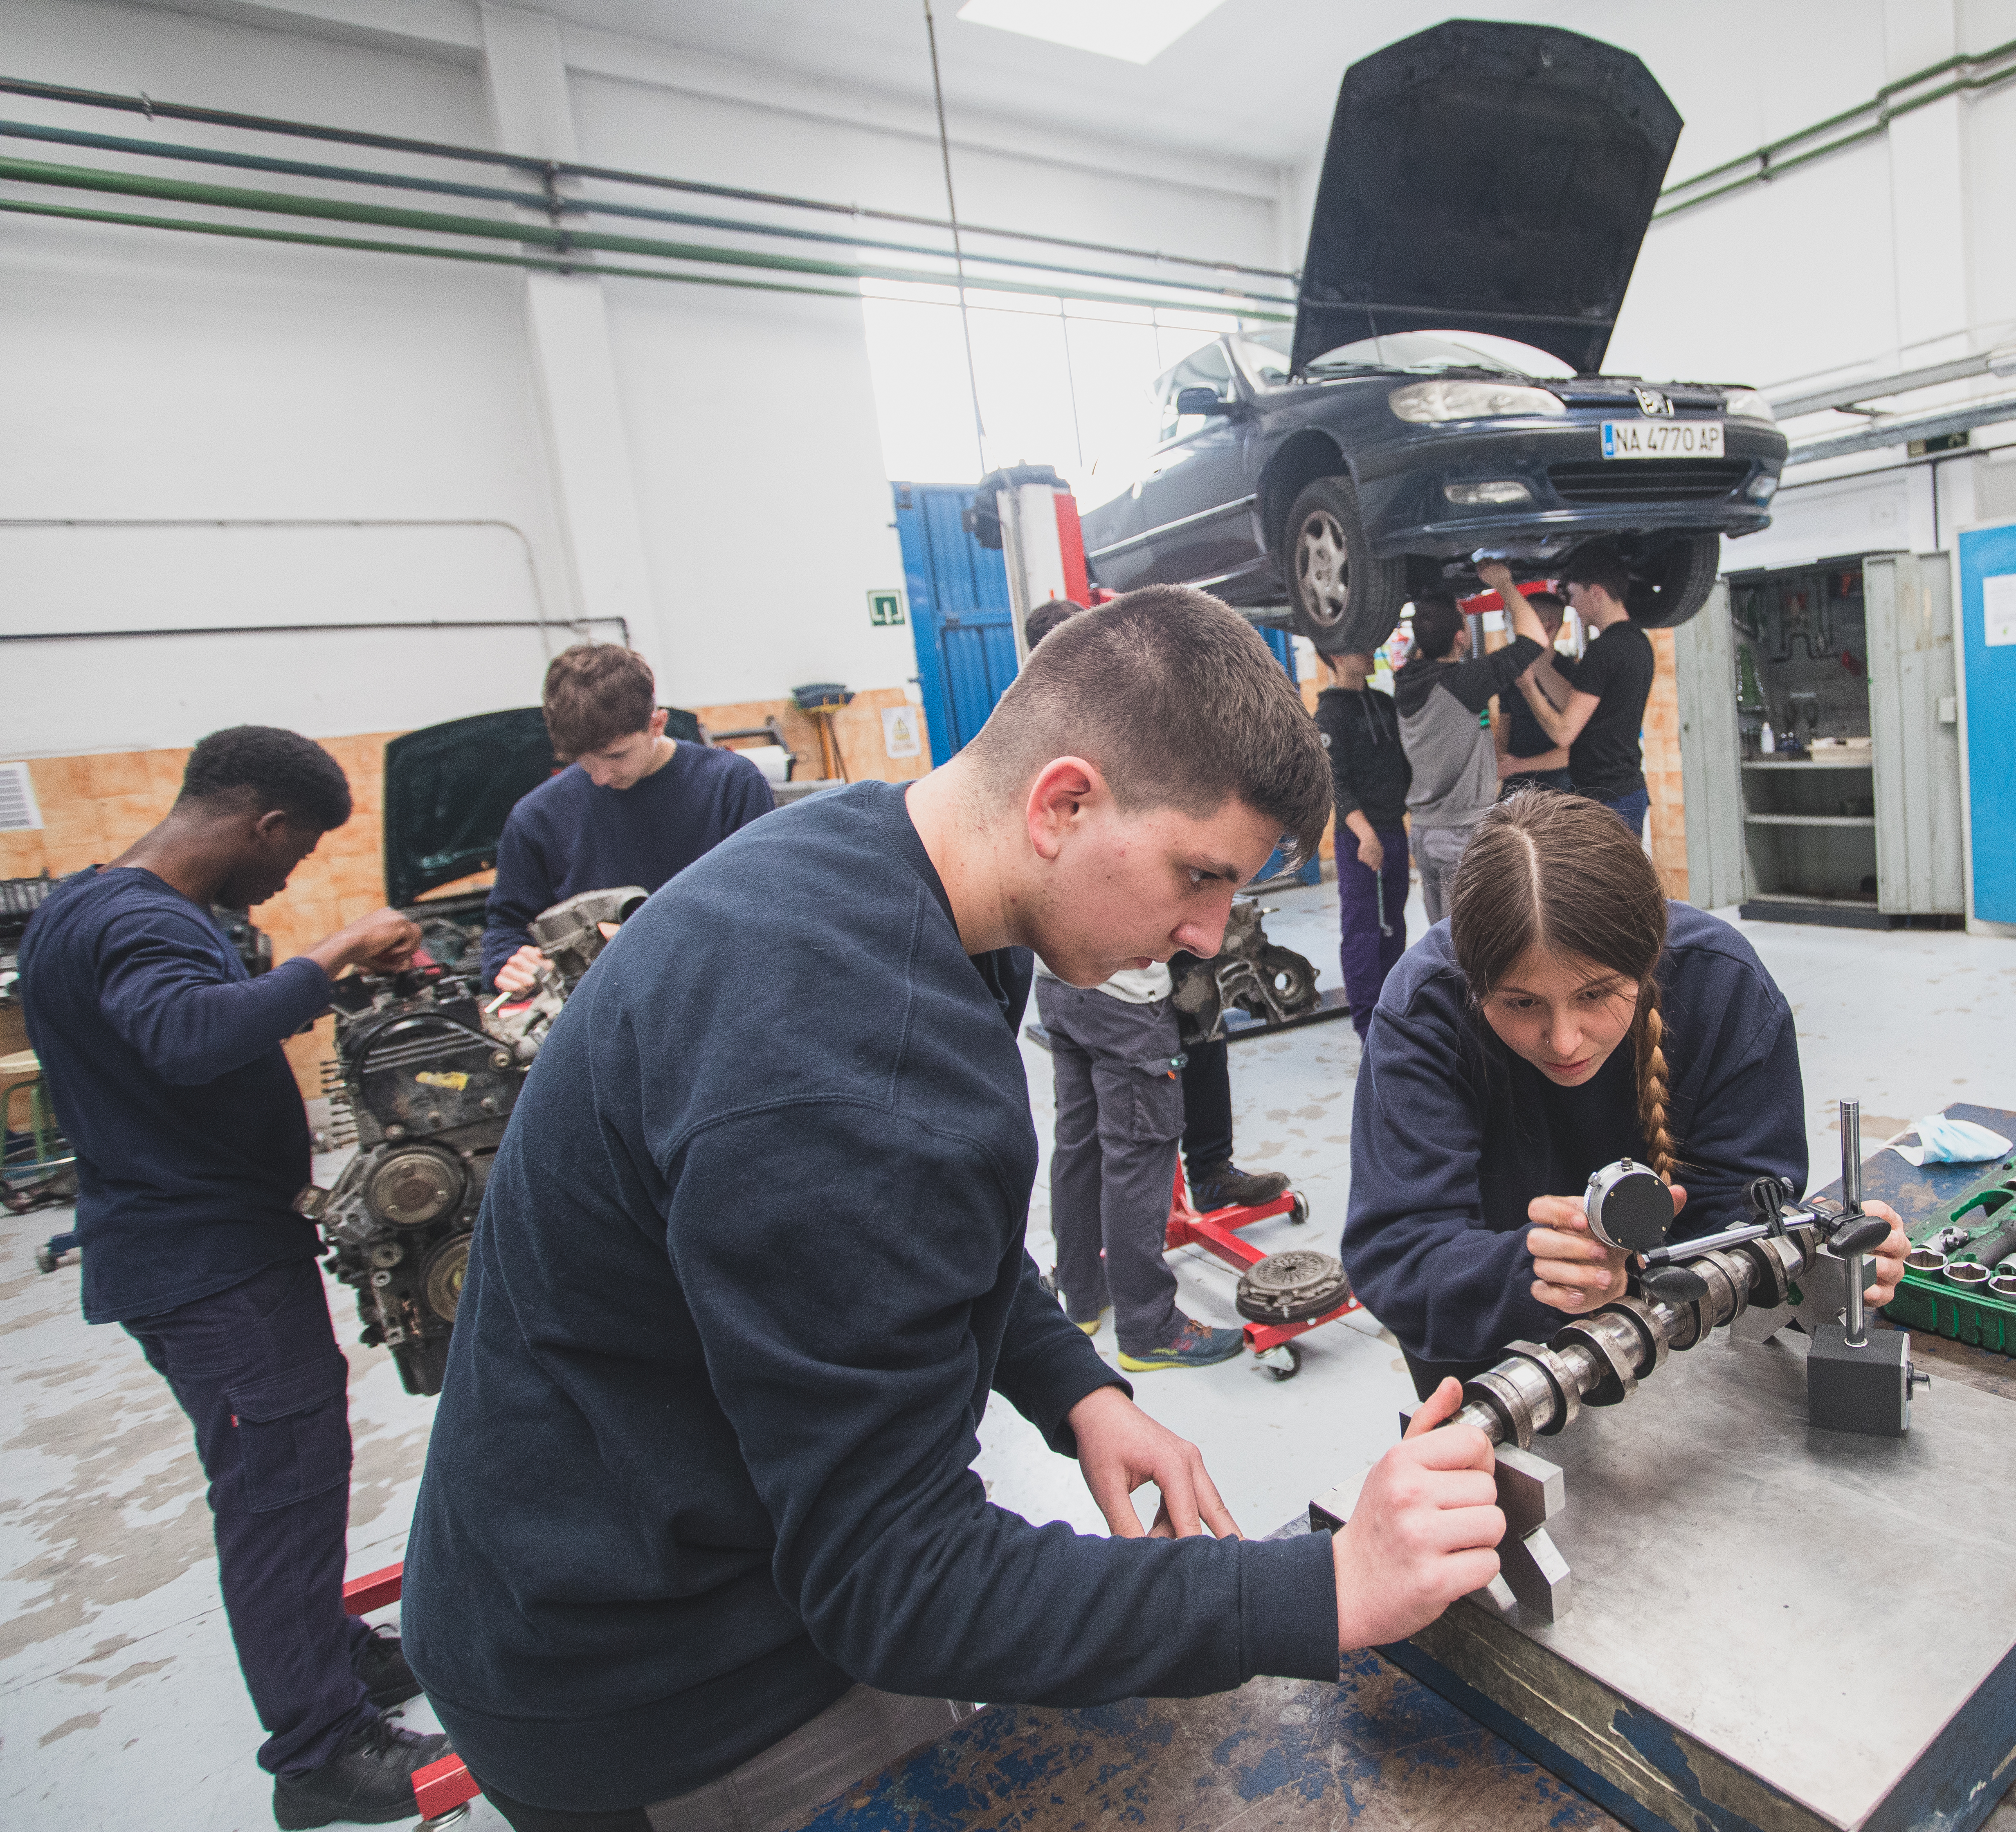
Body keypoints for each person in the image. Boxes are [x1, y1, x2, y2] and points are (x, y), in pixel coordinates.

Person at [403, 588, 1506, 1832]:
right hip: (653, 1672)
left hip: (662, 1530)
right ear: (1064, 803)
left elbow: (930, 1241)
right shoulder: (850, 1064)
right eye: (1197, 875)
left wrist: (1068, 1380)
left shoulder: (895, 868)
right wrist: (1322, 1586)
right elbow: (897, 1581)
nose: (1206, 935)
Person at [16, 728, 452, 1829]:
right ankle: (317, 1751)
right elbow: (186, 1035)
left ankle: (331, 1653)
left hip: (195, 1247)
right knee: (275, 1492)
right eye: (295, 852)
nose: (290, 874)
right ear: (262, 825)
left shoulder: (86, 899)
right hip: (204, 1265)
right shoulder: (141, 920)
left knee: (296, 1473)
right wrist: (338, 951)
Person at [1342, 790, 1908, 1394]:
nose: (1563, 1041)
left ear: (1649, 962)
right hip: (1494, 1373)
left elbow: (1747, 1214)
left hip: (1692, 1370)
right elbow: (1398, 1257)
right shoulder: (1424, 1009)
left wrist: (1812, 1252)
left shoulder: (1723, 985)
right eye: (1521, 1003)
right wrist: (1534, 1273)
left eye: (1595, 994)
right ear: (1473, 984)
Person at [1022, 597, 1288, 1219]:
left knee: (1200, 1037)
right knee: (1132, 1137)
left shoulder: (1123, 720)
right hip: (1118, 969)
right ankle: (1139, 1289)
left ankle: (1209, 1173)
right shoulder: (1069, 744)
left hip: (1112, 961)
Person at [479, 644, 775, 994]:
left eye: (616, 755)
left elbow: (764, 909)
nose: (601, 777)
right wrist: (511, 962)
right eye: (584, 760)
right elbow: (507, 927)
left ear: (657, 723)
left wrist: (646, 940)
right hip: (602, 1011)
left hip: (720, 995)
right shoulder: (536, 816)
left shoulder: (731, 784)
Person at [1396, 579, 1546, 922]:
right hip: (1460, 833)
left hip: (1424, 831)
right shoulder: (1463, 683)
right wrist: (1505, 583)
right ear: (1462, 637)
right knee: (1470, 945)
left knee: (1444, 940)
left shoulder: (1406, 681)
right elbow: (1536, 639)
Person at [1512, 546, 1655, 836]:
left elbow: (1564, 732)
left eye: (1574, 595)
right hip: (1627, 791)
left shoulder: (1603, 650)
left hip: (1607, 799)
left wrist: (1529, 689)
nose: (1573, 607)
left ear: (1596, 593)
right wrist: (1539, 657)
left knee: (1603, 882)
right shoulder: (1638, 642)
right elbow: (1574, 702)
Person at [1315, 647, 1413, 1039]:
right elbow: (1334, 784)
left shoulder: (1384, 704)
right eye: (1360, 647)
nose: (1370, 652)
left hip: (1393, 829)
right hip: (1360, 839)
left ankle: (1394, 1012)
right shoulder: (1329, 717)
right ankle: (1368, 1027)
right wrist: (1366, 834)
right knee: (1363, 931)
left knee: (1394, 925)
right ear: (1336, 655)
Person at [1488, 582, 1575, 797]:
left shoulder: (1572, 675)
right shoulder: (1514, 670)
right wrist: (1500, 767)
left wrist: (1519, 765)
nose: (1517, 629)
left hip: (1557, 784)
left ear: (1549, 626)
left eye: (1523, 623)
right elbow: (1504, 732)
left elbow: (1575, 750)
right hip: (1516, 783)